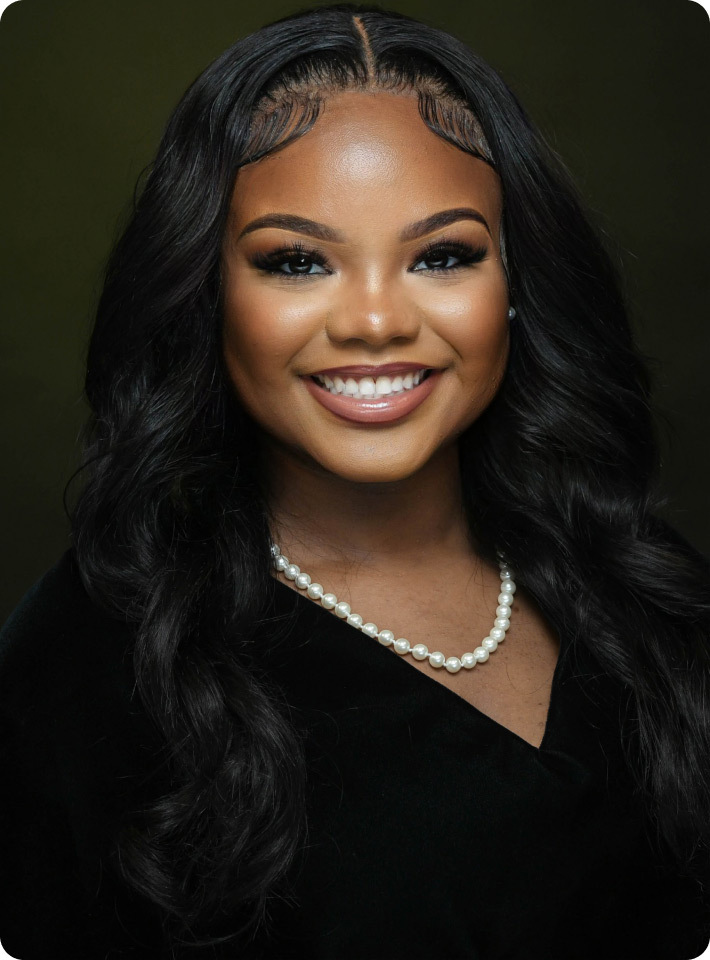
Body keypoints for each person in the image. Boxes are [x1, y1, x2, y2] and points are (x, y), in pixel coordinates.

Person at [1, 3, 709, 958]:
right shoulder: (82, 664)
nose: (374, 321)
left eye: (442, 255)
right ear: (207, 292)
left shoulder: (650, 594)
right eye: (296, 261)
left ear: (516, 286)